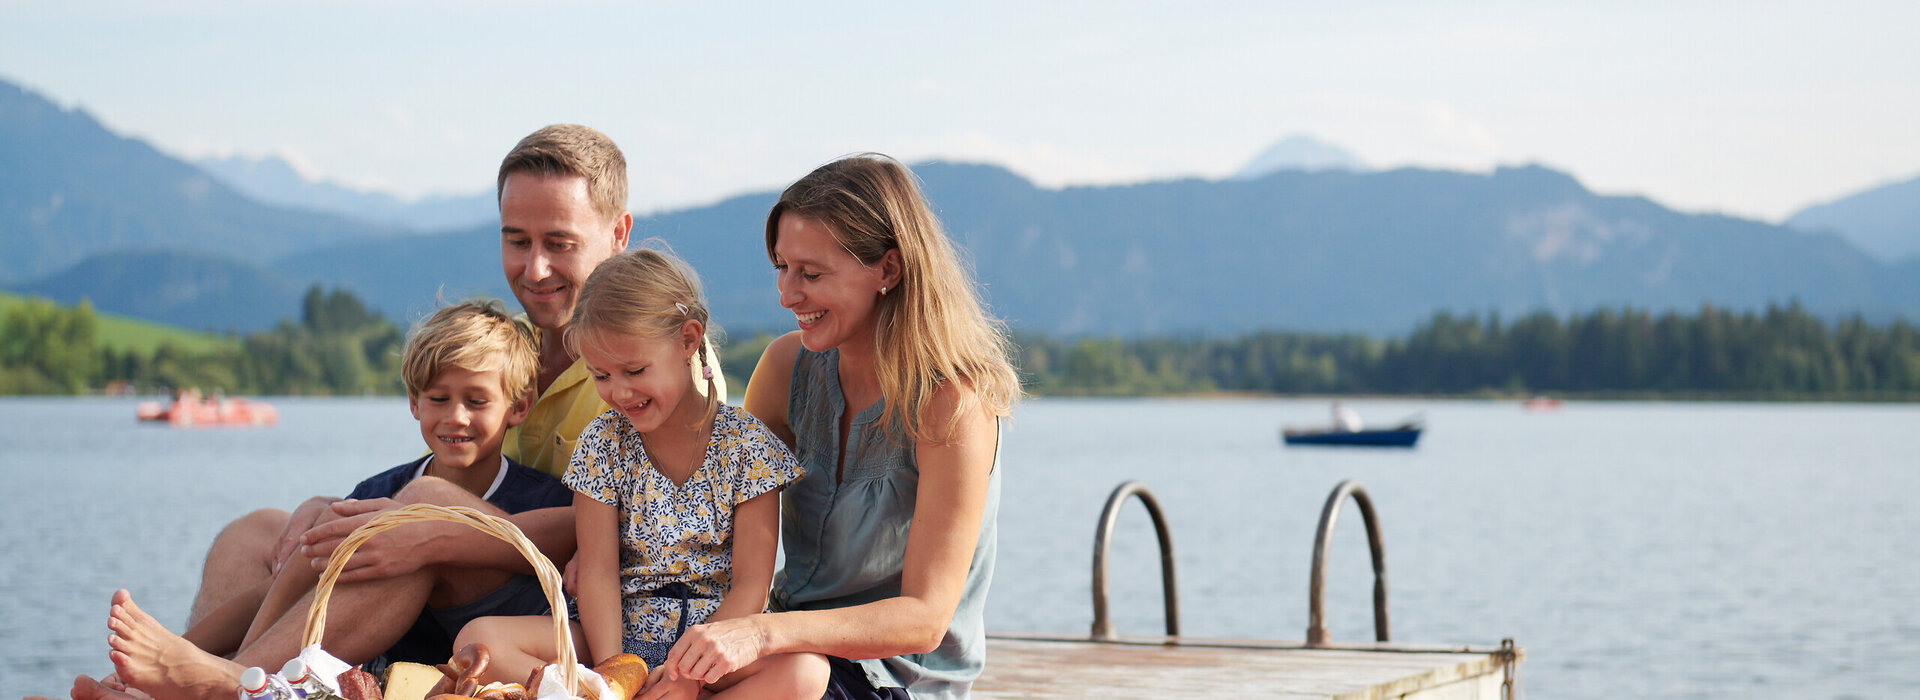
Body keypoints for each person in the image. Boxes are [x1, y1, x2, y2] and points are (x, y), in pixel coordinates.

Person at [63, 124, 720, 700]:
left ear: (618, 232)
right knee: (260, 532)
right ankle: (171, 679)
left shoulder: (652, 368)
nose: (535, 267)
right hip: (494, 566)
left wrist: (436, 529)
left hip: (589, 606)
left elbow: (639, 527)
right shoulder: (510, 349)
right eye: (516, 240)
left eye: (560, 242)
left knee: (411, 518)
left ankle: (224, 684)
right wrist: (331, 509)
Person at [660, 154, 1020, 699]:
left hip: (895, 679)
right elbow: (714, 514)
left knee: (788, 680)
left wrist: (762, 633)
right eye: (782, 266)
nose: (787, 294)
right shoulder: (786, 368)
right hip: (785, 652)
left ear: (888, 271)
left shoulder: (951, 403)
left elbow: (925, 619)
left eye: (812, 273)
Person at [90, 300, 574, 699]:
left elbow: (571, 548)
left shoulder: (537, 494)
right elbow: (284, 590)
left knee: (412, 511)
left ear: (519, 406)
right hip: (391, 653)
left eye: (477, 400)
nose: (456, 417)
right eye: (439, 399)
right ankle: (206, 674)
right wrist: (182, 649)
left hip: (479, 640)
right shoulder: (381, 489)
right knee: (327, 524)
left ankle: (223, 684)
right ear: (413, 402)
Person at [459, 248, 824, 699]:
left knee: (807, 670)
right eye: (601, 376)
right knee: (478, 639)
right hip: (613, 633)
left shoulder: (746, 443)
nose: (619, 392)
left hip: (713, 642)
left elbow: (752, 584)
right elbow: (596, 571)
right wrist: (615, 673)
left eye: (634, 370)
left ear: (689, 340)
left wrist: (687, 675)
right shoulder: (602, 443)